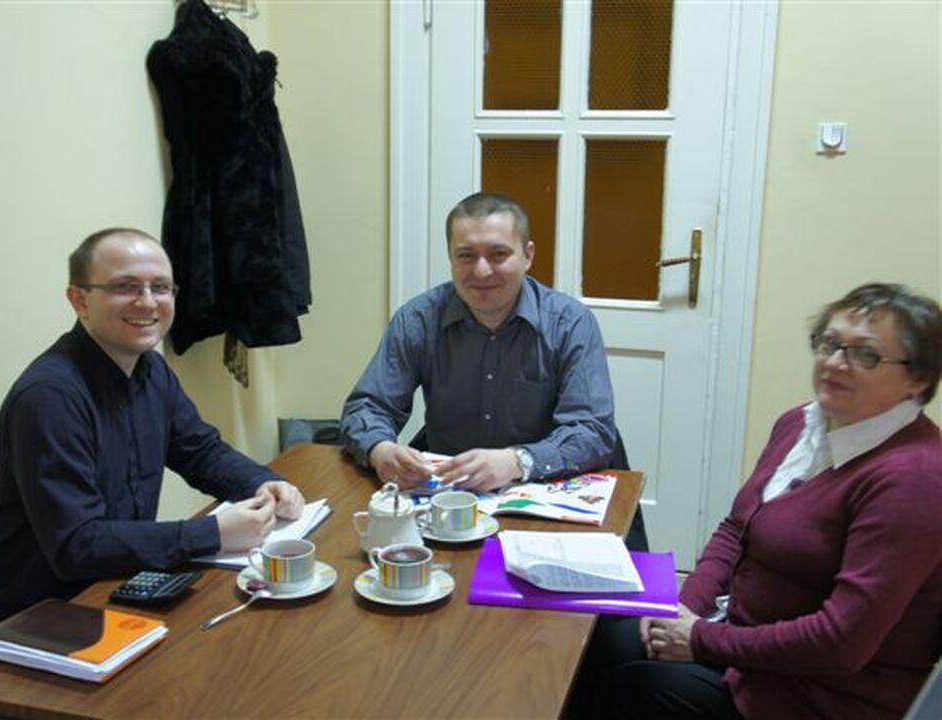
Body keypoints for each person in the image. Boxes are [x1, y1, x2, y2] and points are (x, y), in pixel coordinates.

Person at [575, 282, 942, 720]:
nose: (834, 362)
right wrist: (685, 610)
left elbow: (841, 642)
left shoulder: (914, 481)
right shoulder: (801, 423)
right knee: (604, 640)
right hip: (742, 639)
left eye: (865, 355)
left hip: (817, 692)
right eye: (829, 344)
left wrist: (699, 640)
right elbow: (737, 529)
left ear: (917, 379)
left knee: (637, 690)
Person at [0, 228, 304, 633]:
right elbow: (77, 545)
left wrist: (262, 482)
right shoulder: (49, 398)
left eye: (160, 287)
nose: (147, 302)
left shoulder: (150, 368)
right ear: (79, 300)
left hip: (123, 585)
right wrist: (212, 533)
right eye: (125, 287)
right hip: (44, 616)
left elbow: (200, 452)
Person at [341, 191, 626, 494]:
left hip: (541, 485)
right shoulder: (417, 320)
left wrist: (517, 462)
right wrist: (380, 449)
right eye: (466, 255)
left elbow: (591, 430)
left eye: (498, 254)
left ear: (528, 255)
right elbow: (368, 407)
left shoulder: (570, 323)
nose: (481, 271)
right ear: (450, 257)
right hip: (448, 490)